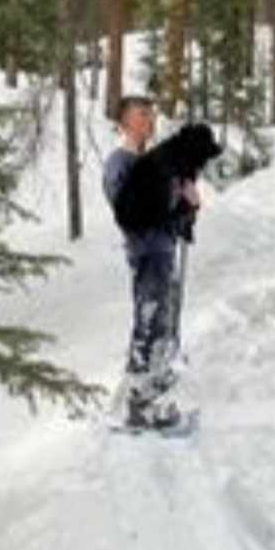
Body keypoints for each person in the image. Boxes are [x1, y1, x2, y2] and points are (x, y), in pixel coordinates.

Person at [101, 96, 200, 428]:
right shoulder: (120, 163)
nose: (150, 120)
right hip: (146, 254)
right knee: (149, 324)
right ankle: (138, 405)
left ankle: (155, 394)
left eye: (151, 114)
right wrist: (174, 198)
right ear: (125, 122)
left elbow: (169, 209)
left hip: (163, 250)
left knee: (164, 323)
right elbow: (132, 212)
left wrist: (186, 208)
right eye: (142, 115)